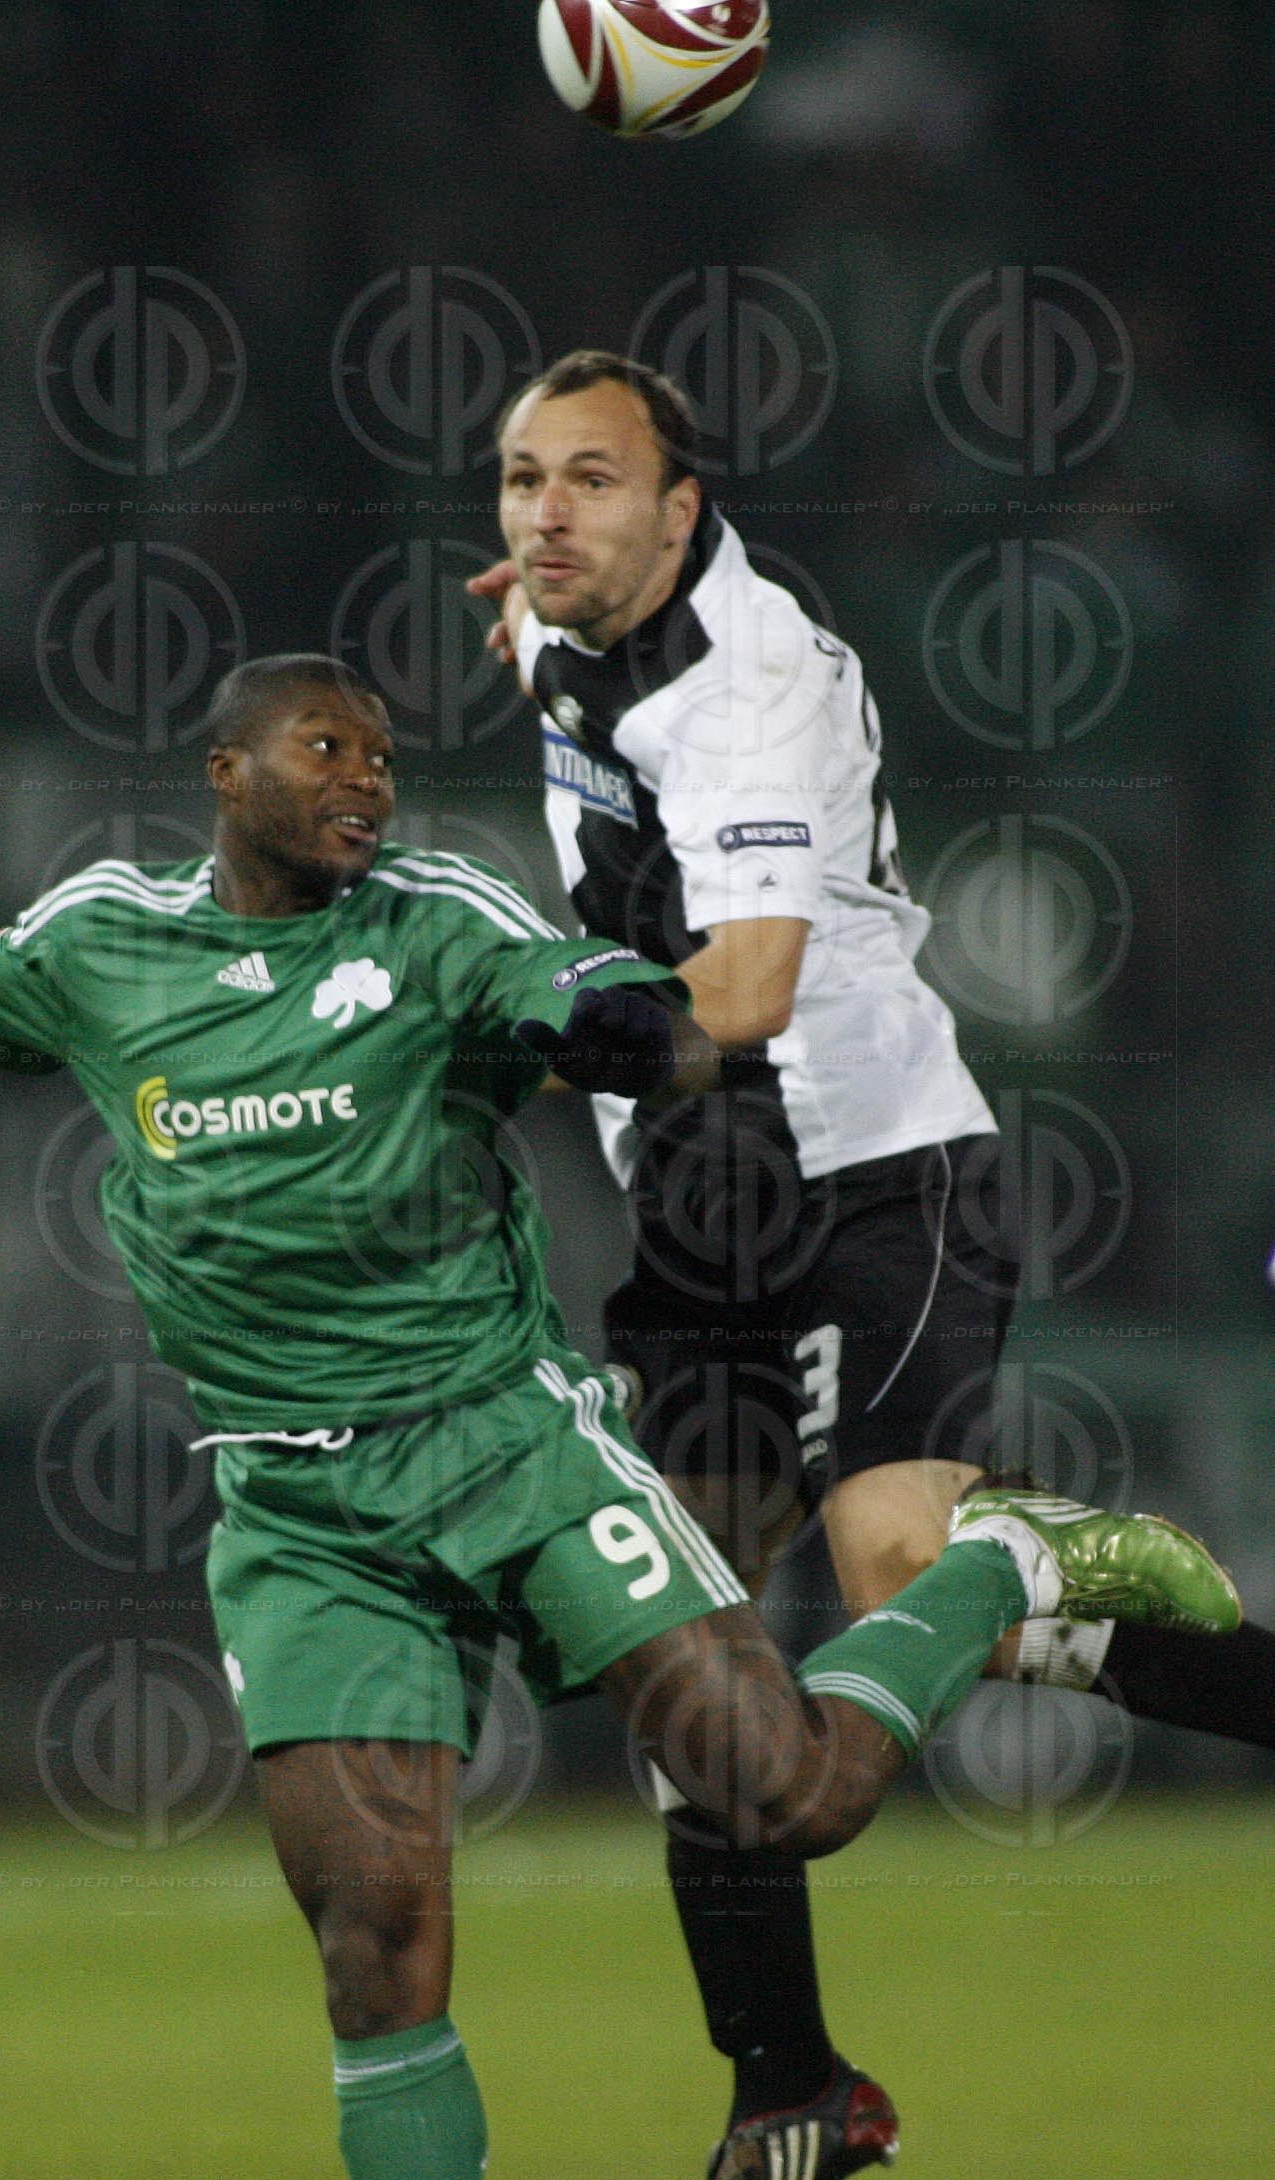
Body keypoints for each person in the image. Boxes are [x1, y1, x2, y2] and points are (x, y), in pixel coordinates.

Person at [0, 670, 1238, 2180]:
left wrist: (634, 1035)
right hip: (298, 1516)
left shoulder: (434, 920)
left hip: (507, 1441)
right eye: (328, 748)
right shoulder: (102, 942)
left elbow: (626, 1010)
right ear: (226, 771)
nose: (367, 779)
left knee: (786, 1793)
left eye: (384, 756)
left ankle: (995, 1570)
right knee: (377, 1946)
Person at [468, 349, 1275, 2178]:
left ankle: (1016, 1550)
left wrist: (497, 1022)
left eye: (591, 481)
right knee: (685, 1657)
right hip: (701, 1211)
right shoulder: (575, 612)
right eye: (522, 481)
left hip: (866, 1172)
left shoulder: (745, 693)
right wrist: (525, 616)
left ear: (685, 509)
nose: (545, 515)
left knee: (898, 1562)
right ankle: (794, 2096)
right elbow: (556, 651)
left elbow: (745, 995)